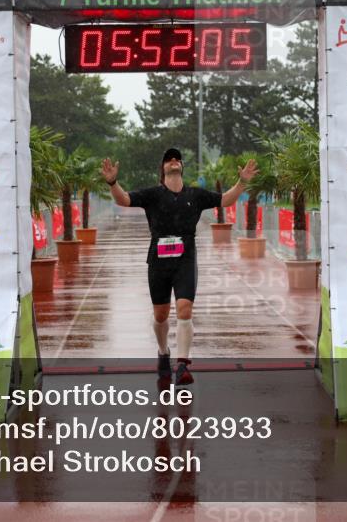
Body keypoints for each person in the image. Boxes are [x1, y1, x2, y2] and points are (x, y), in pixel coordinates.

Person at [101, 148, 257, 385]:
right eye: (168, 159)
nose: (174, 161)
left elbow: (225, 199)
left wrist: (242, 182)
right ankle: (163, 352)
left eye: (177, 159)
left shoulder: (195, 195)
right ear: (163, 168)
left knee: (184, 309)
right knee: (160, 315)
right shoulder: (153, 194)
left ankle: (182, 364)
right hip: (158, 261)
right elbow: (123, 199)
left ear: (182, 167)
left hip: (186, 259)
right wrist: (113, 182)